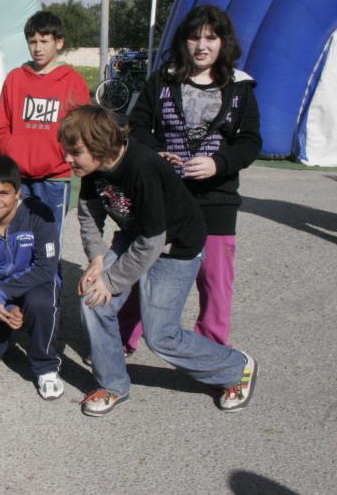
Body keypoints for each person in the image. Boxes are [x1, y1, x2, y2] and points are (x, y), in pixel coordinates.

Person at [62, 105, 257, 417]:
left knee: (161, 335)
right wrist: (97, 261)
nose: (67, 159)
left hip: (175, 247)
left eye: (75, 152)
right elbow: (89, 215)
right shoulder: (91, 169)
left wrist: (111, 281)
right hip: (136, 236)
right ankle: (112, 384)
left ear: (100, 145)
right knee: (92, 302)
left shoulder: (141, 167)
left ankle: (235, 367)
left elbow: (153, 242)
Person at [118, 4, 261, 350]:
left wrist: (219, 164)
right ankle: (123, 338)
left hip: (217, 200)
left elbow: (250, 141)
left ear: (223, 42)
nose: (202, 45)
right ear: (184, 41)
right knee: (144, 268)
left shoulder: (240, 87)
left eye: (211, 38)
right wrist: (156, 153)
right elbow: (137, 126)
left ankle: (211, 350)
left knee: (214, 282)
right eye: (194, 37)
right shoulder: (163, 80)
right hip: (166, 195)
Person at [0, 154, 64, 400]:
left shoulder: (38, 215)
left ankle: (46, 365)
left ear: (17, 192)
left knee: (40, 301)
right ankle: (11, 326)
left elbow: (45, 268)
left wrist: (2, 293)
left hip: (35, 286)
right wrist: (2, 306)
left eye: (4, 193)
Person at [0, 10, 89, 242]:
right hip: (19, 179)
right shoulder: (15, 78)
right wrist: (16, 155)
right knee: (18, 240)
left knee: (49, 242)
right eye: (32, 41)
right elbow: (1, 128)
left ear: (59, 43)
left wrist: (59, 156)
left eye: (44, 41)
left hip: (55, 180)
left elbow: (82, 131)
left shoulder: (72, 82)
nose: (38, 48)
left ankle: (50, 280)